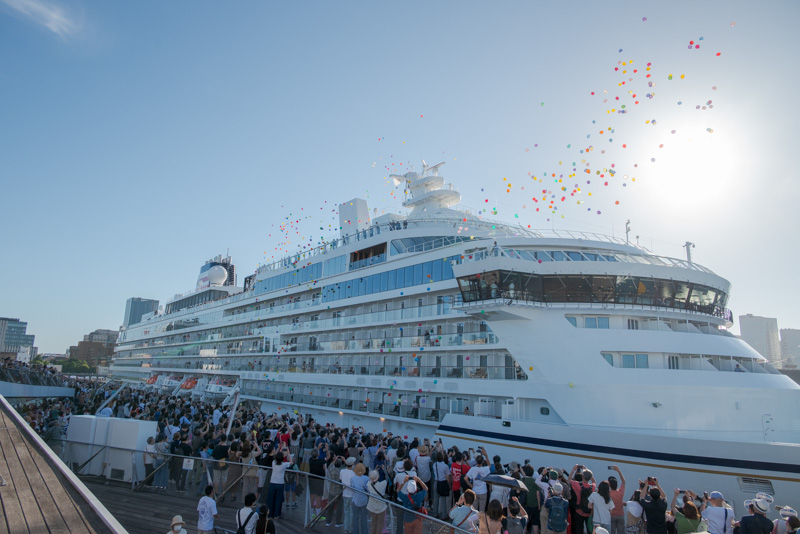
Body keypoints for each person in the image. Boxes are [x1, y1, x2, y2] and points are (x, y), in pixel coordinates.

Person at [266, 445, 291, 519]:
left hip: (272, 483)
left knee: (271, 499)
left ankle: (270, 514)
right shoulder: (284, 465)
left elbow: (275, 456)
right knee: (278, 500)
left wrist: (280, 449)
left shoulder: (273, 462)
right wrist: (288, 452)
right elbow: (291, 462)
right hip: (280, 483)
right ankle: (277, 515)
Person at [569, 466, 596, 534]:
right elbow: (594, 481)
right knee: (589, 530)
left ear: (582, 477)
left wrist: (573, 470)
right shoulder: (592, 487)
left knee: (579, 530)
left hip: (579, 511)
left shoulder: (577, 485)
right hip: (588, 512)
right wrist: (586, 469)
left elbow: (569, 480)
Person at [367, 469, 388, 534]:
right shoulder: (382, 484)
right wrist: (385, 470)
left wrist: (374, 470)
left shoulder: (368, 484)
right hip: (380, 507)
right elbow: (387, 479)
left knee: (374, 523)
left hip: (372, 506)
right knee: (380, 524)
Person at [351, 463, 370, 534]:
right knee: (364, 518)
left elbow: (352, 487)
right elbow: (368, 489)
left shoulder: (353, 478)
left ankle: (355, 532)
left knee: (355, 518)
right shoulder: (366, 478)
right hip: (364, 500)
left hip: (355, 499)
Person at [608, 467, 626, 534]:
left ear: (609, 485)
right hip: (620, 515)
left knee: (612, 532)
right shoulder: (621, 492)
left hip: (612, 515)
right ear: (617, 485)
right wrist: (618, 471)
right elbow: (623, 481)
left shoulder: (608, 493)